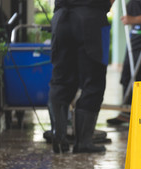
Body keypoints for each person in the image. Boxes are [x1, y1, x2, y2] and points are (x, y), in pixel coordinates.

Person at [48, 0, 115, 154]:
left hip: (61, 20)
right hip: (92, 19)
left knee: (60, 81)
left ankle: (58, 136)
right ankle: (83, 142)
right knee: (93, 83)